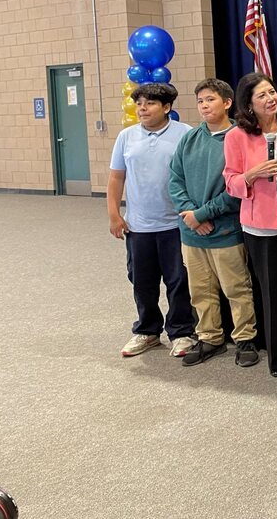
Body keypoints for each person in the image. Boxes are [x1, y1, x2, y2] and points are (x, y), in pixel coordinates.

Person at [223, 73, 277, 377]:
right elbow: (230, 181)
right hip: (260, 228)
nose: (269, 99)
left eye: (272, 92)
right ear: (248, 103)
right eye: (261, 95)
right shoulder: (237, 136)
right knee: (271, 293)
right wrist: (251, 174)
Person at [168, 78, 259, 368]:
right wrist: (191, 216)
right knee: (201, 289)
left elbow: (237, 189)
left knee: (236, 288)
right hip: (191, 232)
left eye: (210, 100)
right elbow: (175, 180)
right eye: (200, 101)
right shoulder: (190, 138)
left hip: (225, 230)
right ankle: (210, 337)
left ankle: (245, 338)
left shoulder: (240, 137)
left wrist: (203, 215)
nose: (204, 106)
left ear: (227, 103)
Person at [106, 82, 194, 358]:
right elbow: (116, 177)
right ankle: (147, 331)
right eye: (139, 103)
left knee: (178, 279)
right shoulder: (126, 137)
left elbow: (193, 176)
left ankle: (181, 332)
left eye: (150, 103)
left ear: (167, 107)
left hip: (175, 224)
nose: (142, 109)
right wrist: (113, 214)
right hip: (138, 225)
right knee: (141, 280)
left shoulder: (185, 134)